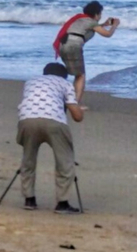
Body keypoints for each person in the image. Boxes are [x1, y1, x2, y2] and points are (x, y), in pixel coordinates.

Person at [13, 62, 86, 213]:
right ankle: (62, 203)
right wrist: (79, 110)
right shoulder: (65, 84)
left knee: (28, 159)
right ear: (64, 75)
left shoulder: (31, 81)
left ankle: (29, 199)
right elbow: (77, 116)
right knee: (64, 161)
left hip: (27, 120)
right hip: (54, 122)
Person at [51, 1, 118, 101]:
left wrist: (104, 24)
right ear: (96, 14)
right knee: (81, 75)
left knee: (77, 74)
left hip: (63, 45)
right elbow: (107, 34)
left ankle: (70, 99)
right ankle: (75, 104)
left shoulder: (80, 19)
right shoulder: (91, 22)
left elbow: (89, 28)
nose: (100, 16)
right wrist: (115, 25)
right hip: (73, 46)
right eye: (100, 14)